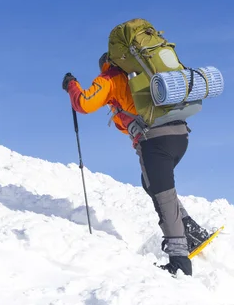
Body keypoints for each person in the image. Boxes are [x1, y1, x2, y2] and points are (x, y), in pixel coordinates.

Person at [62, 53, 210, 277]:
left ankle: (179, 261)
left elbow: (83, 103)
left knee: (162, 194)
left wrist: (71, 85)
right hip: (180, 135)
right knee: (151, 184)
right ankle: (190, 229)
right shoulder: (145, 75)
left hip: (154, 140)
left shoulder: (110, 78)